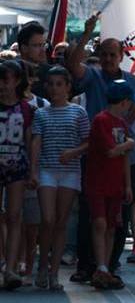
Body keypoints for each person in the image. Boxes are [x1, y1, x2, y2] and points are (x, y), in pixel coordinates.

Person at [67, 15, 135, 278]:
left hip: (124, 159)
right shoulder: (93, 76)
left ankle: (110, 264)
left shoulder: (133, 83)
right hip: (95, 156)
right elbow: (73, 64)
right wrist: (86, 34)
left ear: (122, 56)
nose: (108, 59)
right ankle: (86, 265)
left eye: (113, 54)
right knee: (91, 213)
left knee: (118, 217)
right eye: (104, 54)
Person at [31, 66, 90, 291]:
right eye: (51, 84)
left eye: (59, 84)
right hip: (47, 169)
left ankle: (54, 272)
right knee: (47, 219)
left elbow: (88, 141)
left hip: (70, 171)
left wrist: (73, 152)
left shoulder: (78, 112)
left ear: (67, 87)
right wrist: (33, 171)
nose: (55, 89)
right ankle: (42, 266)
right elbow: (36, 142)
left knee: (61, 222)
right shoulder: (41, 112)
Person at [86, 80, 135, 290]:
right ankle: (100, 266)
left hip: (115, 182)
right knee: (99, 223)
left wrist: (128, 185)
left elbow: (123, 157)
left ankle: (105, 267)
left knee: (111, 226)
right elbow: (111, 150)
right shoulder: (102, 120)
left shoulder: (122, 124)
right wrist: (129, 143)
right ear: (124, 102)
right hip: (98, 180)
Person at [0, 60, 32, 290]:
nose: (2, 85)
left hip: (18, 167)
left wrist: (33, 170)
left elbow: (30, 142)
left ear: (17, 81)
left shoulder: (26, 109)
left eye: (6, 80)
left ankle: (10, 268)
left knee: (14, 216)